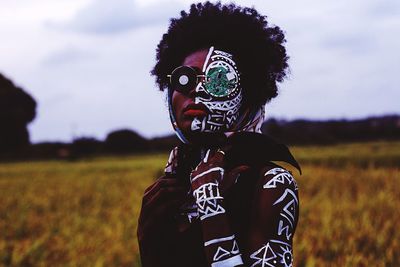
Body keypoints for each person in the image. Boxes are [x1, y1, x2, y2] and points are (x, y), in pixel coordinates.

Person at [137, 2, 301, 266]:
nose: (196, 91)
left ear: (248, 98)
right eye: (184, 79)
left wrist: (210, 204)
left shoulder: (271, 183)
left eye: (218, 80)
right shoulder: (173, 184)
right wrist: (148, 234)